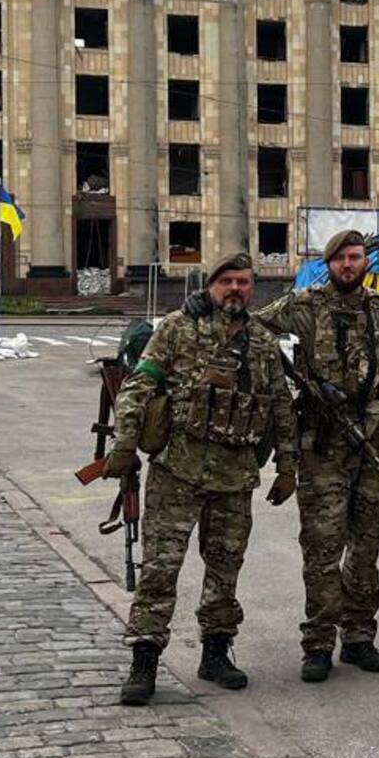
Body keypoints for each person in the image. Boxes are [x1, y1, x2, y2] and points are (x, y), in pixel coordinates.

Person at [104, 252, 299, 706]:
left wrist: (287, 466)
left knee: (225, 568)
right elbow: (139, 385)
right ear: (211, 285)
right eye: (228, 281)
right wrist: (124, 444)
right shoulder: (176, 328)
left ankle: (216, 652)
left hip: (234, 477)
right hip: (178, 472)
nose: (236, 289)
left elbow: (281, 409)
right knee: (160, 570)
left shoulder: (262, 344)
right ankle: (145, 660)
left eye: (245, 282)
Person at [256, 230, 379, 683]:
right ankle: (317, 644)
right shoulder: (304, 304)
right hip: (323, 447)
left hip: (375, 444)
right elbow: (254, 329)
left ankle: (358, 638)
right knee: (321, 549)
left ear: (366, 262)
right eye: (340, 259)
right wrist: (291, 372)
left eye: (355, 257)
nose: (348, 265)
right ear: (329, 263)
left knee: (365, 548)